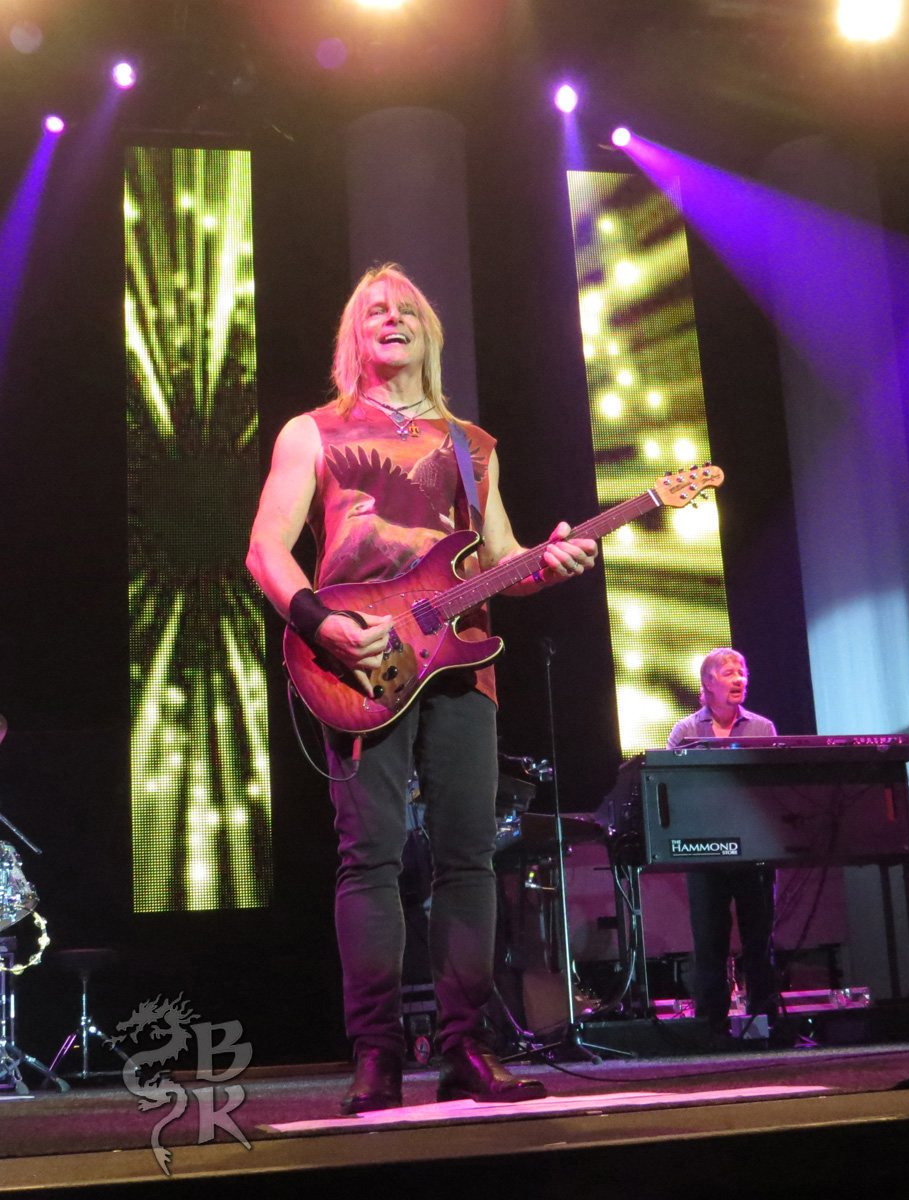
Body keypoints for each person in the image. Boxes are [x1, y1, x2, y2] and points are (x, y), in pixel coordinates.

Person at [247, 264, 597, 1112]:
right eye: (374, 308)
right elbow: (265, 548)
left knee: (467, 856)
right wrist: (319, 622)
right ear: (354, 334)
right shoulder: (313, 431)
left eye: (406, 307)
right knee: (369, 857)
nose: (391, 316)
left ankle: (466, 1047)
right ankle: (376, 1055)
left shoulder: (472, 444)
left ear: (428, 332)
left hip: (460, 664)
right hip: (360, 659)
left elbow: (501, 562)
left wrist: (546, 565)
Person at [666, 648, 777, 1035]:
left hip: (755, 851)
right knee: (710, 944)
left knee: (759, 942)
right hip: (704, 852)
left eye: (742, 671)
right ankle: (709, 1031)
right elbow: (671, 790)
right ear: (708, 683)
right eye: (729, 672)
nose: (739, 678)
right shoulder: (684, 731)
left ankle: (766, 1023)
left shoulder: (762, 728)